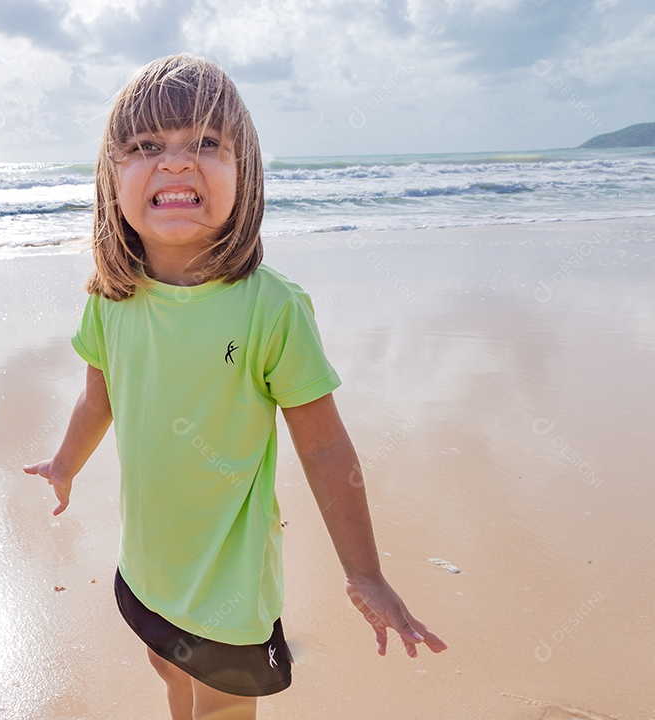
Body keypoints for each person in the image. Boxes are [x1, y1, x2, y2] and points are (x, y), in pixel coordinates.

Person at [24, 54, 447, 720]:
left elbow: (326, 448)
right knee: (167, 672)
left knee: (222, 707)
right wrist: (65, 464)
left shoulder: (269, 310)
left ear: (243, 172)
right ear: (111, 176)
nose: (174, 163)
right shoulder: (111, 300)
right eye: (144, 147)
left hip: (228, 592)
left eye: (206, 144)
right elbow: (96, 399)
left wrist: (364, 571)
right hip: (146, 566)